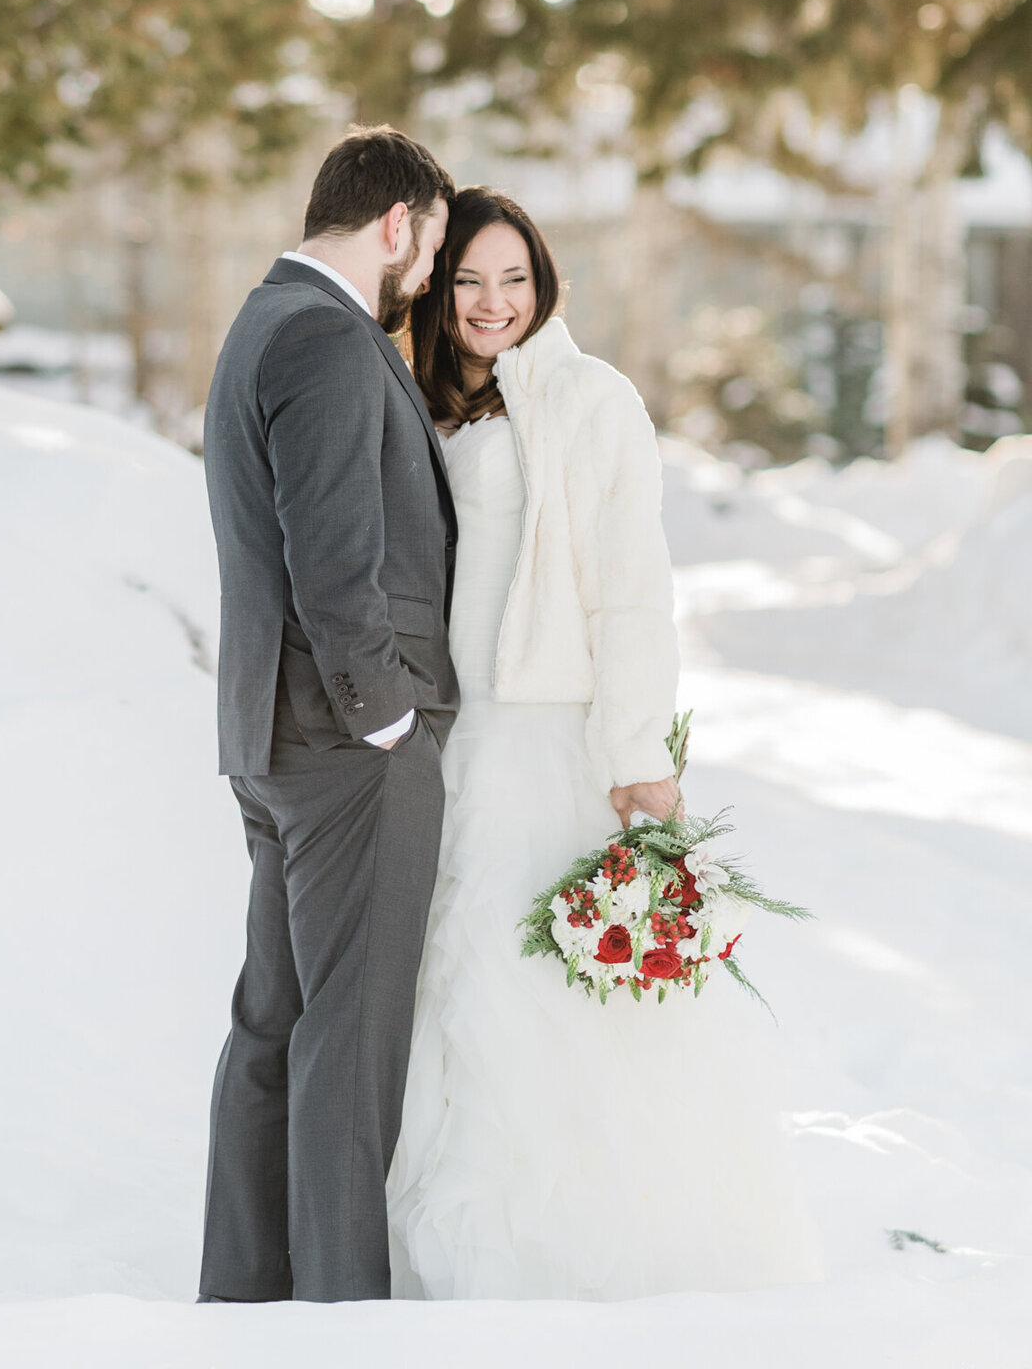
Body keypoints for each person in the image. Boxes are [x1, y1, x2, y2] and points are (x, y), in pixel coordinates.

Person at [387, 187, 823, 1300]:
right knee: (444, 988)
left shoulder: (591, 399)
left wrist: (641, 760)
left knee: (534, 982)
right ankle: (422, 1242)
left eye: (514, 279)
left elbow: (633, 593)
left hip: (550, 744)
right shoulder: (417, 399)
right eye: (470, 281)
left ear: (544, 284)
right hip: (445, 739)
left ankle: (573, 1251)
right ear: (439, 288)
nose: (492, 304)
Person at [199, 125, 460, 1305]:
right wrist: (388, 719)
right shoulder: (327, 338)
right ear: (396, 223)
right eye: (431, 250)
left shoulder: (264, 319)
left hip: (275, 740)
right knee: (349, 1048)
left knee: (279, 1025)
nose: (425, 284)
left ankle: (249, 1299)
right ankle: (340, 1319)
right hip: (347, 747)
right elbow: (333, 562)